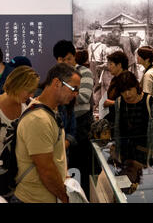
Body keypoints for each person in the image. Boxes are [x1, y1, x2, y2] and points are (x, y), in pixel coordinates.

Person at [11, 63, 81, 203]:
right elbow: (46, 170)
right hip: (33, 199)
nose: (76, 94)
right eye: (73, 89)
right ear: (56, 83)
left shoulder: (50, 111)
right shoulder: (38, 119)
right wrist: (64, 197)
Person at [53, 40, 94, 196]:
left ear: (75, 56)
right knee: (64, 166)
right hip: (61, 125)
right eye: (61, 60)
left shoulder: (84, 72)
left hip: (82, 125)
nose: (66, 63)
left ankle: (83, 197)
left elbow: (84, 96)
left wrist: (62, 96)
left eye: (69, 58)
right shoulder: (56, 75)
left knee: (81, 167)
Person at [107, 71, 153, 168]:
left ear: (136, 87)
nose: (127, 94)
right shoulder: (119, 102)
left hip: (146, 154)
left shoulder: (150, 102)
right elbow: (117, 129)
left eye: (129, 89)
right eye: (123, 91)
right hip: (126, 155)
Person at [0, 66, 40, 157]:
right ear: (16, 85)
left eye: (33, 91)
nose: (31, 95)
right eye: (29, 91)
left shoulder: (30, 105)